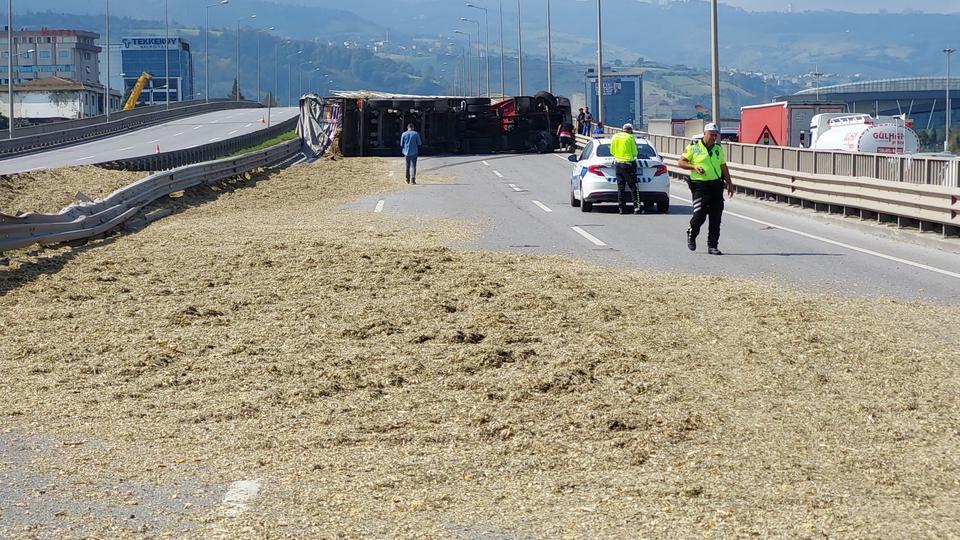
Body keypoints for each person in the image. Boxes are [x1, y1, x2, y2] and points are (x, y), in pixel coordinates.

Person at [677, 123, 734, 255]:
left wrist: (730, 183)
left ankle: (712, 246)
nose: (714, 137)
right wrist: (694, 167)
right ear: (705, 133)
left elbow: (723, 166)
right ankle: (691, 233)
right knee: (699, 215)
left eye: (715, 135)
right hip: (700, 186)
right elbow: (680, 162)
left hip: (716, 186)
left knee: (716, 218)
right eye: (711, 134)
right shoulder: (694, 147)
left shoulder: (718, 149)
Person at [610, 123, 640, 215]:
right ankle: (636, 208)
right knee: (633, 187)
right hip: (628, 164)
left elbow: (612, 151)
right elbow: (635, 153)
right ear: (630, 130)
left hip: (618, 164)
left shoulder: (615, 136)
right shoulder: (630, 138)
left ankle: (622, 209)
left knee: (621, 187)